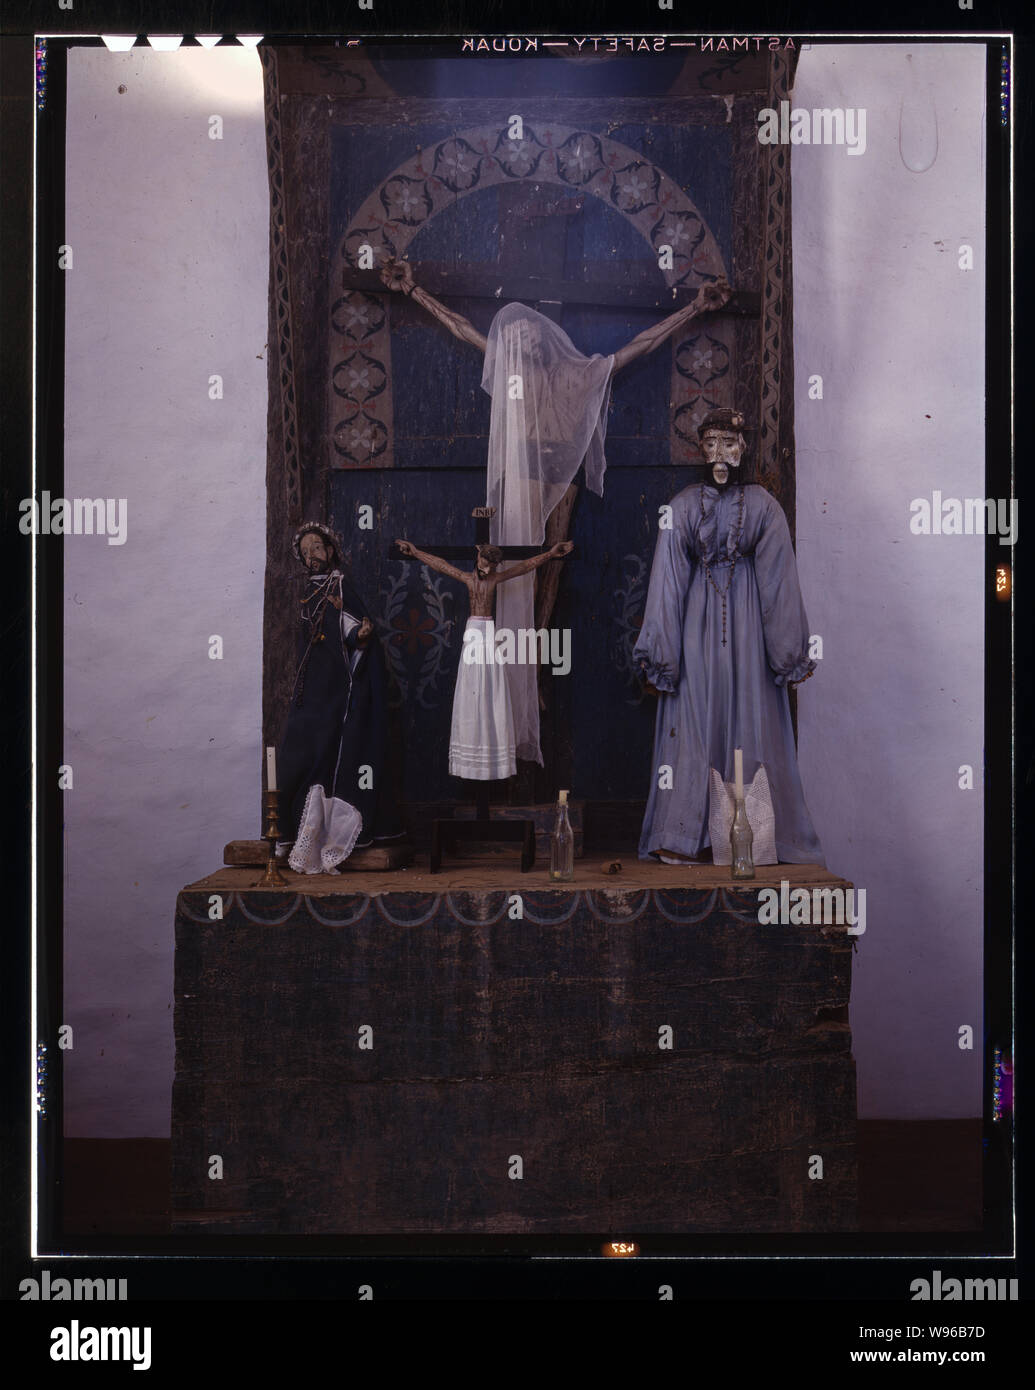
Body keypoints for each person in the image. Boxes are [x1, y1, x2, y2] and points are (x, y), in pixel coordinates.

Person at [381, 256, 730, 766]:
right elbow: (461, 330)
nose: (516, 347)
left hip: (558, 482)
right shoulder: (508, 374)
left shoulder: (578, 376)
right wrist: (414, 292)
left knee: (551, 573)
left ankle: (535, 675)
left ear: (541, 343)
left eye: (524, 340)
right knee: (510, 576)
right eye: (512, 341)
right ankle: (517, 686)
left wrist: (695, 308)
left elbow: (643, 344)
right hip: (518, 483)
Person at [633, 407, 824, 865]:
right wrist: (661, 657)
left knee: (750, 719)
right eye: (712, 443)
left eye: (730, 444)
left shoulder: (763, 507)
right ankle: (684, 835)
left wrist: (788, 652)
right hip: (694, 629)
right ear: (701, 449)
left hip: (750, 631)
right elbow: (666, 583)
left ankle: (753, 840)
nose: (721, 453)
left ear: (743, 449)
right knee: (694, 725)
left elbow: (779, 581)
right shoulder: (679, 508)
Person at [277, 522, 406, 873]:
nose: (311, 556)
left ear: (330, 550)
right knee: (304, 748)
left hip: (340, 683)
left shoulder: (342, 585)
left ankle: (336, 832)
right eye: (305, 552)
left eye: (317, 547)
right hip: (313, 684)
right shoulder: (306, 592)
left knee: (334, 747)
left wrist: (360, 635)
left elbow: (352, 625)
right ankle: (302, 834)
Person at [395, 537, 573, 779]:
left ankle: (493, 747)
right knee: (470, 687)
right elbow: (441, 565)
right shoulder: (468, 579)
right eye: (484, 562)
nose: (486, 569)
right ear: (478, 558)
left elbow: (524, 566)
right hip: (473, 634)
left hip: (489, 632)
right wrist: (415, 551)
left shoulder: (495, 579)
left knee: (492, 687)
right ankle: (471, 749)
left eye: (491, 566)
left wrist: (551, 554)